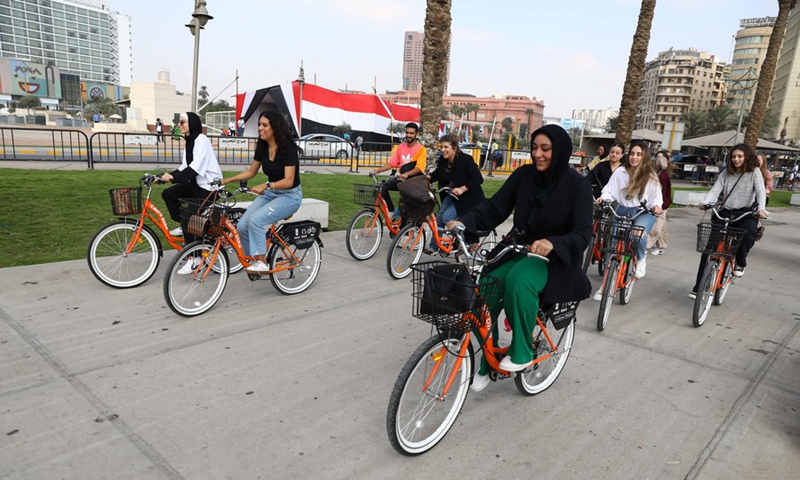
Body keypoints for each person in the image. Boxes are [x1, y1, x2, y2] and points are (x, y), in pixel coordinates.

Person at [446, 124, 592, 390]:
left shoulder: (578, 186)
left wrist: (552, 242)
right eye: (534, 148)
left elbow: (583, 234)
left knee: (519, 280)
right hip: (517, 248)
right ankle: (488, 362)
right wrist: (464, 222)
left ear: (559, 151)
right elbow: (495, 207)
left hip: (555, 259)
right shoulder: (523, 175)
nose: (538, 154)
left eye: (545, 149)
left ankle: (522, 352)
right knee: (484, 289)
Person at [220, 110, 302, 275]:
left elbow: (289, 181)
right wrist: (226, 181)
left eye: (265, 125)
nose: (260, 128)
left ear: (275, 127)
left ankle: (262, 262)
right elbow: (251, 172)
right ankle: (253, 259)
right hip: (272, 194)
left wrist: (266, 185)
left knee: (256, 220)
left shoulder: (288, 148)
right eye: (259, 125)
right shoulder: (263, 146)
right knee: (242, 225)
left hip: (290, 196)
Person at [688, 143, 766, 299]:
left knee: (749, 234)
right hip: (725, 211)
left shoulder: (754, 172)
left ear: (747, 157)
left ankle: (740, 261)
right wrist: (706, 202)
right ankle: (698, 287)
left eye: (740, 156)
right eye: (734, 156)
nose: (736, 159)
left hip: (745, 212)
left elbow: (760, 192)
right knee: (709, 251)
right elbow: (715, 190)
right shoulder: (726, 173)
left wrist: (761, 209)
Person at [594, 142, 662, 299]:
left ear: (645, 157)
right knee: (612, 248)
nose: (634, 157)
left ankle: (640, 257)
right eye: (632, 153)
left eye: (639, 154)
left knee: (637, 235)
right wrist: (603, 198)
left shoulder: (650, 176)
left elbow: (656, 198)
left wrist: (657, 207)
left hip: (643, 212)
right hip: (623, 210)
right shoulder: (620, 172)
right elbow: (610, 190)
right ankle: (605, 286)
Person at [160, 112, 223, 273]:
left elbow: (195, 169)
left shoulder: (201, 139)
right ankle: (184, 225)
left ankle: (196, 258)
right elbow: (183, 167)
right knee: (168, 195)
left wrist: (174, 178)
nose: (179, 125)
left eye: (182, 122)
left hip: (209, 186)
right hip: (196, 184)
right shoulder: (189, 141)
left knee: (189, 215)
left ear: (192, 123)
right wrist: (164, 177)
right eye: (179, 122)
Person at [425, 134, 485, 254]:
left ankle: (467, 242)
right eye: (441, 147)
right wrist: (429, 177)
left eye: (446, 147)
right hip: (452, 194)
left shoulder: (465, 160)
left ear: (454, 148)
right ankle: (434, 246)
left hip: (468, 197)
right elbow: (438, 173)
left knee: (447, 217)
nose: (442, 150)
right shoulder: (443, 160)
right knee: (439, 218)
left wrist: (463, 188)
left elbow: (478, 178)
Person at [369, 122, 427, 218]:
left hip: (413, 182)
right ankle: (392, 211)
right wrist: (377, 171)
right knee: (383, 187)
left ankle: (403, 229)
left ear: (416, 134)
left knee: (404, 206)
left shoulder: (421, 149)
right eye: (407, 132)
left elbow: (419, 168)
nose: (408, 135)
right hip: (402, 179)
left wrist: (407, 174)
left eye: (411, 133)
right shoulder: (401, 147)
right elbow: (391, 163)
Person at [646, 151, 672, 255]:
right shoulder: (660, 174)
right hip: (663, 204)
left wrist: (661, 205)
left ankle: (647, 245)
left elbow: (662, 192)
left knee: (656, 227)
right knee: (662, 226)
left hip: (661, 205)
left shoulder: (662, 175)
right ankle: (662, 245)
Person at [755, 153, 772, 241]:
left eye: (759, 160)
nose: (757, 162)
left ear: (763, 162)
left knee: (755, 213)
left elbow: (769, 187)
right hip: (752, 197)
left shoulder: (766, 173)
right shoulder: (751, 171)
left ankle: (759, 227)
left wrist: (764, 191)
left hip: (762, 197)